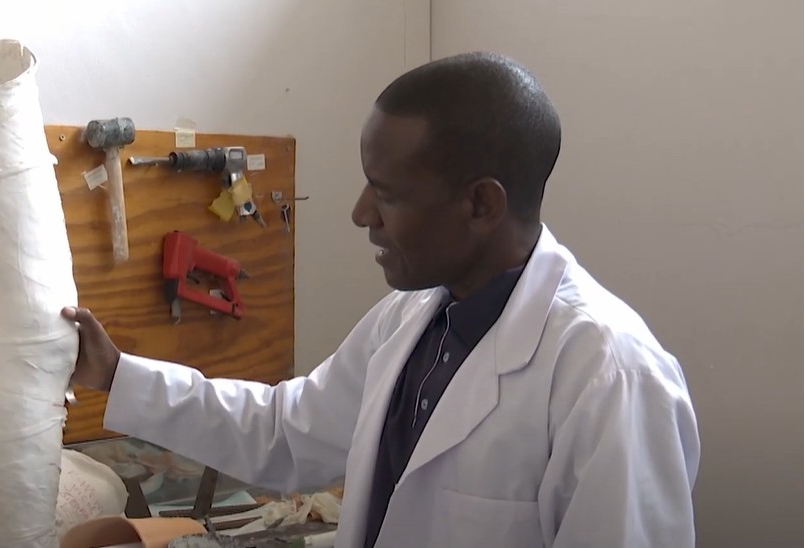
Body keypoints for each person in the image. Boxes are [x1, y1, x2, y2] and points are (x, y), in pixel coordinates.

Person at [61, 51, 700, 547]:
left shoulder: (609, 376)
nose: (361, 213)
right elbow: (285, 433)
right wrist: (116, 374)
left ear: (481, 204)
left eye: (388, 194)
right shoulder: (412, 317)